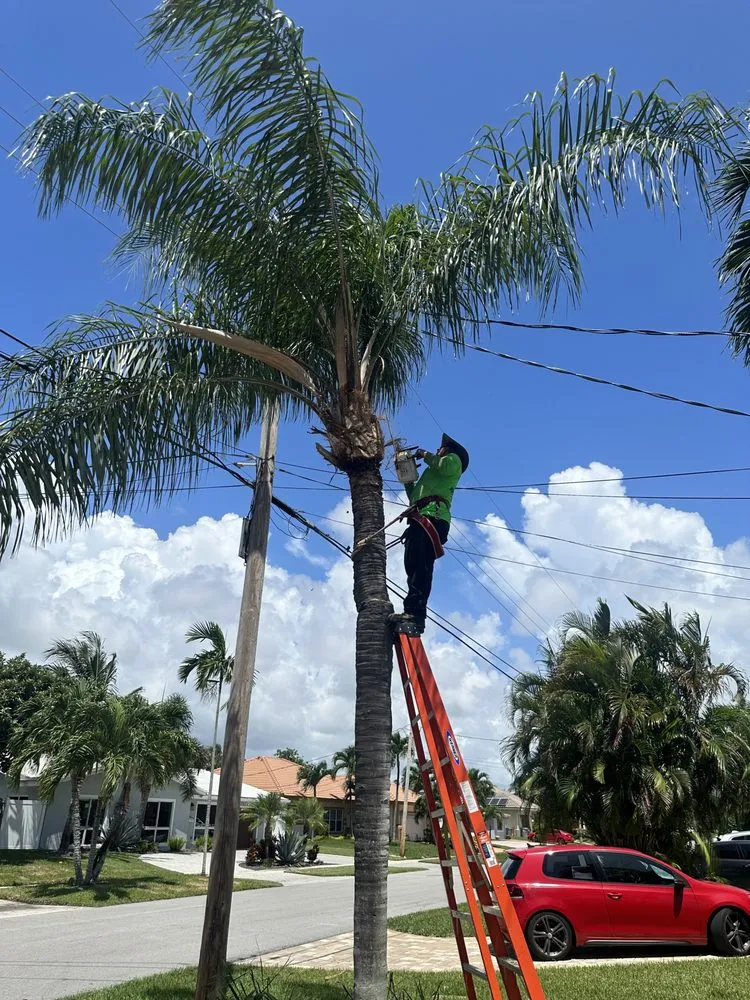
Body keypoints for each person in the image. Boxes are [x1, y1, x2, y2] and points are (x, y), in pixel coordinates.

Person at [390, 433, 469, 635]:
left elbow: (442, 466)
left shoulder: (453, 461)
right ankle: (412, 610)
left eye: (439, 450)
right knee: (413, 564)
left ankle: (415, 614)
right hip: (420, 516)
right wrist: (406, 478)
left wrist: (423, 454)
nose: (436, 451)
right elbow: (414, 497)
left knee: (421, 565)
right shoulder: (431, 474)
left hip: (433, 517)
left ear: (447, 452)